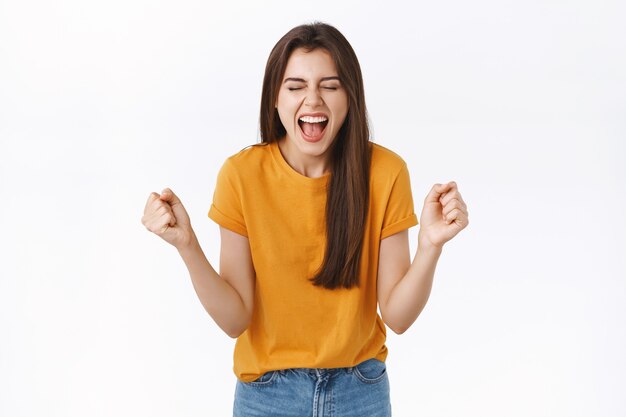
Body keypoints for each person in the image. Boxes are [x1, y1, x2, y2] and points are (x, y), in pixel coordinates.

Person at [141, 22, 468, 417]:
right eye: (295, 87)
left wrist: (430, 247)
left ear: (350, 96)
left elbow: (397, 317)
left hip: (360, 392)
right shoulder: (241, 175)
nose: (312, 100)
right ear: (275, 99)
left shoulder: (385, 172)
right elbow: (234, 320)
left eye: (329, 86)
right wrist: (187, 245)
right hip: (266, 395)